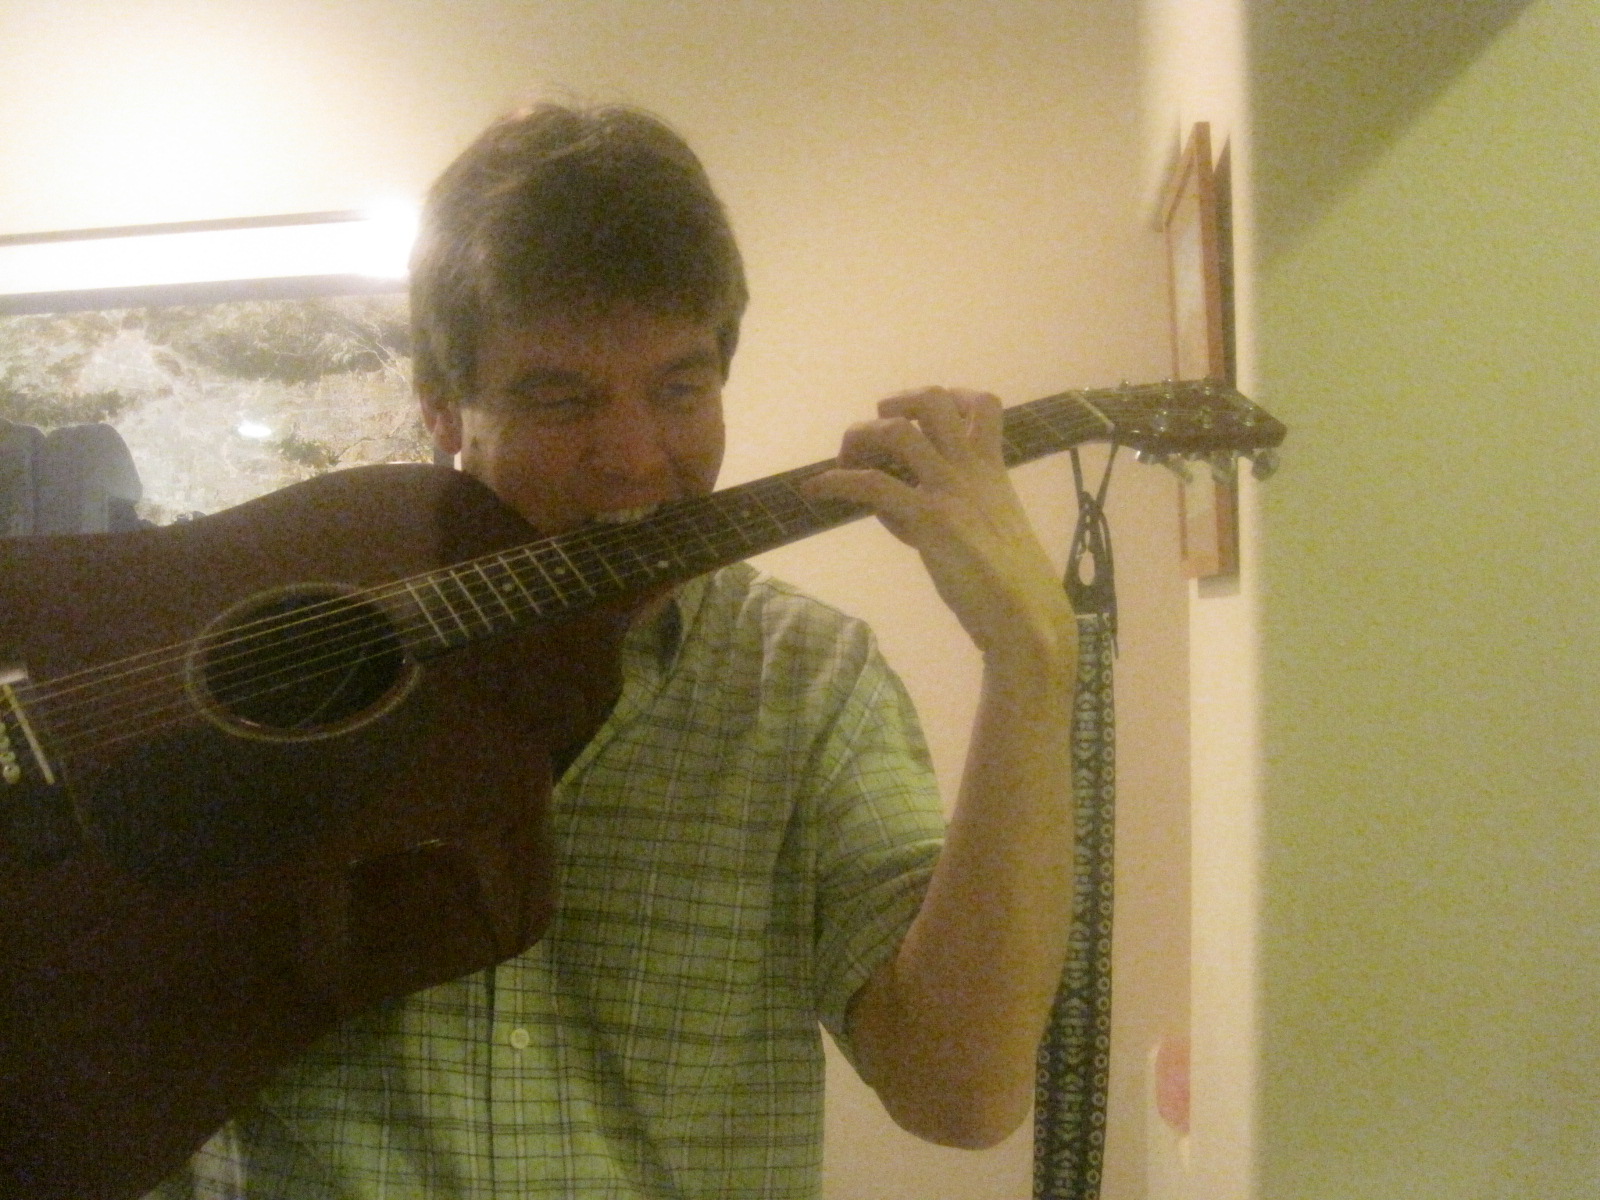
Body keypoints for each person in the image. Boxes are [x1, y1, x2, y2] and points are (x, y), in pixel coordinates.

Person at [152, 101, 1078, 1199]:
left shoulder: (809, 677)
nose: (636, 459)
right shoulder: (273, 652)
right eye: (561, 399)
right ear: (443, 412)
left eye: (680, 388)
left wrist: (1030, 663)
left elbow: (960, 1093)